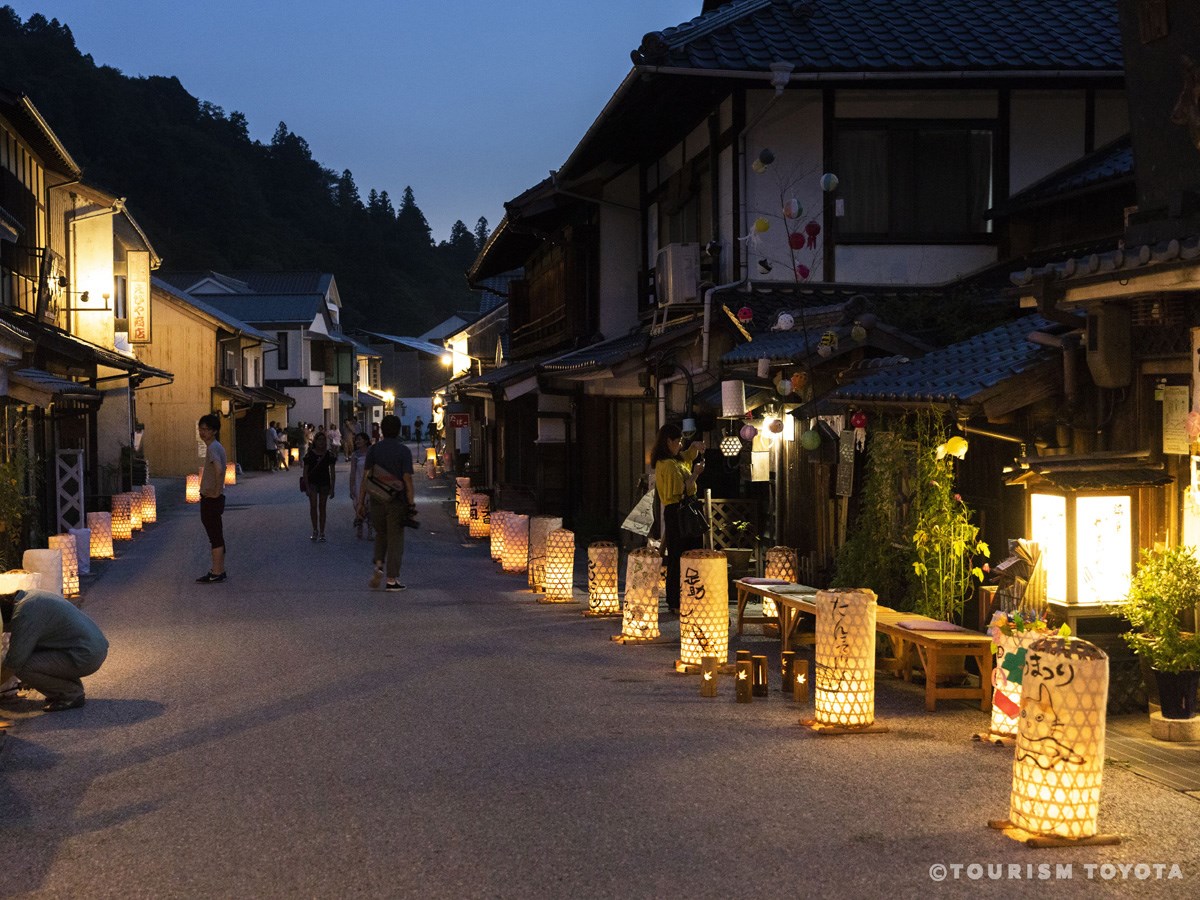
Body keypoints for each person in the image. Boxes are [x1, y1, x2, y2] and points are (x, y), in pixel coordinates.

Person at [0, 589, 109, 712]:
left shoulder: (24, 613)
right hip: (90, 648)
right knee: (29, 657)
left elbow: (15, 661)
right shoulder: (30, 598)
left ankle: (70, 694)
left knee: (23, 667)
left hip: (86, 655)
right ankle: (68, 689)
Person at [651, 423, 706, 617]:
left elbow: (686, 457)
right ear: (669, 442)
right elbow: (683, 489)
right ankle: (675, 600)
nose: (681, 445)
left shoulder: (671, 460)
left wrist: (695, 447)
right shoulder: (668, 465)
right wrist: (696, 474)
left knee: (681, 554)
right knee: (679, 556)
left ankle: (681, 598)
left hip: (677, 512)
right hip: (678, 512)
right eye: (678, 441)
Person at [357, 413, 415, 592]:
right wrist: (411, 502)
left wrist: (360, 502)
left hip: (376, 498)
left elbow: (366, 477)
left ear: (382, 429)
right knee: (395, 539)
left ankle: (378, 566)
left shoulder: (374, 450)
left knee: (381, 534)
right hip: (396, 501)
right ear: (398, 431)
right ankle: (392, 580)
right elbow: (407, 479)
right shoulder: (403, 451)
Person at [196, 413, 228, 583]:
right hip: (214, 497)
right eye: (200, 429)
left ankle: (216, 572)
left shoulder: (213, 448)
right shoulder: (217, 446)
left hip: (211, 498)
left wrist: (216, 491)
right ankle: (219, 570)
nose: (202, 433)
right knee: (216, 534)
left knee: (214, 535)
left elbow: (219, 470)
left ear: (214, 431)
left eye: (206, 429)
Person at [303, 431, 337, 542]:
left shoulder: (329, 455)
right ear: (315, 441)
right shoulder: (310, 455)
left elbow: (332, 472)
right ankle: (315, 530)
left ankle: (322, 532)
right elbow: (305, 471)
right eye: (319, 440)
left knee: (322, 507)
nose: (321, 442)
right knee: (313, 506)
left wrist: (332, 488)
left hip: (324, 482)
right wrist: (307, 487)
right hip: (313, 482)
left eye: (323, 440)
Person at [348, 431, 373, 540]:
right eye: (356, 439)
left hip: (371, 482)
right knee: (359, 504)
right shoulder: (355, 455)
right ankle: (360, 528)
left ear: (366, 441)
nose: (357, 441)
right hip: (359, 482)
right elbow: (353, 472)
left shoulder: (372, 453)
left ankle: (370, 531)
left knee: (370, 506)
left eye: (360, 439)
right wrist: (351, 486)